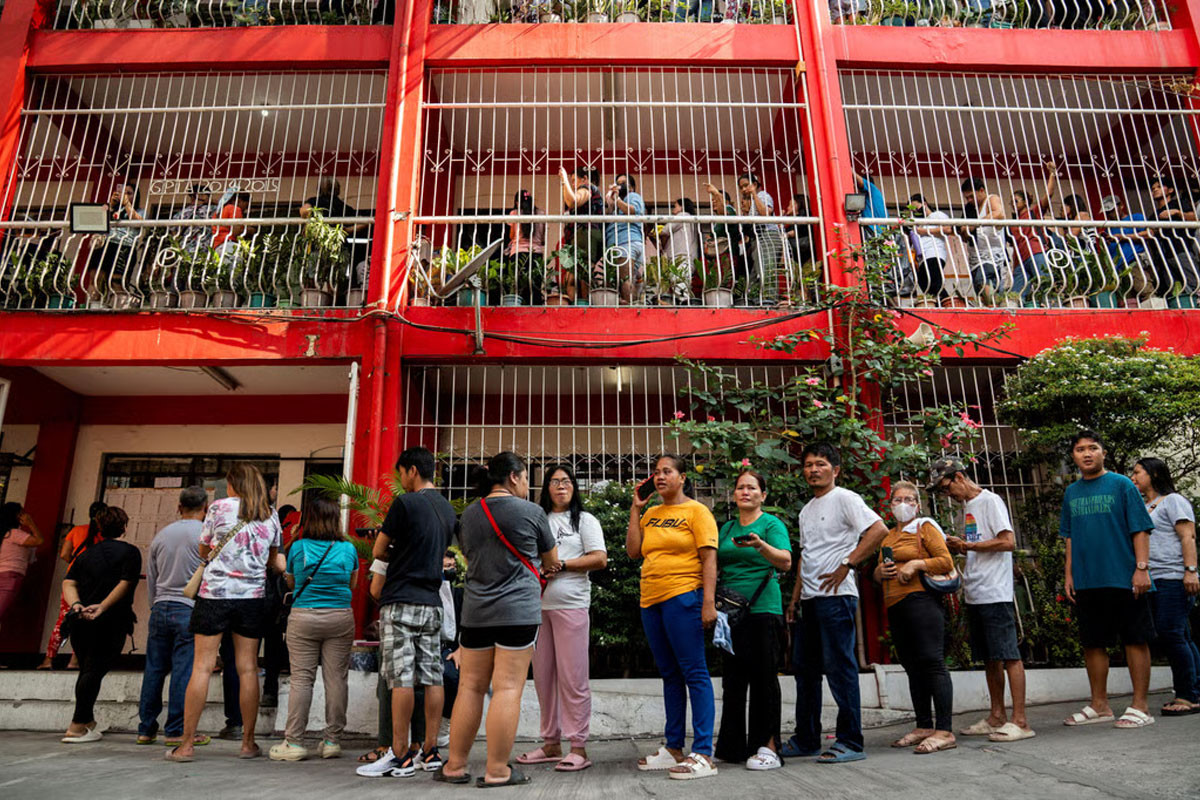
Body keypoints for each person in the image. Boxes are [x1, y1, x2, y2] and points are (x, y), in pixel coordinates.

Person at [436, 452, 559, 788]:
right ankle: (497, 770)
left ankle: (454, 766)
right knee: (507, 687)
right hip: (518, 611)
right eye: (524, 477)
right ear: (514, 477)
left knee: (470, 687)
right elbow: (552, 559)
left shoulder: (470, 516)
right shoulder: (531, 512)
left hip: (475, 614)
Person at [166, 463, 282, 762]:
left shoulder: (218, 508)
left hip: (214, 595)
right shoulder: (271, 513)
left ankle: (187, 744)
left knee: (201, 667)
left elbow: (204, 549)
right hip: (252, 598)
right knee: (247, 669)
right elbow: (273, 559)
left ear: (235, 484)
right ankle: (248, 743)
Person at [356, 446, 459, 778]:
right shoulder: (445, 508)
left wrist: (393, 548)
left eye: (401, 473)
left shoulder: (405, 503)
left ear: (412, 470)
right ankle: (429, 751)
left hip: (400, 600)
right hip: (432, 602)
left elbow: (378, 548)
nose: (401, 479)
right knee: (432, 677)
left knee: (400, 678)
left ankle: (399, 755)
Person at [783, 442, 888, 764]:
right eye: (809, 464)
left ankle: (851, 742)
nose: (814, 469)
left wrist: (848, 564)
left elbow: (879, 529)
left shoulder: (845, 498)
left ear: (836, 470)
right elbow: (806, 555)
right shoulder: (806, 510)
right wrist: (796, 596)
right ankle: (807, 738)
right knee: (805, 671)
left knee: (841, 669)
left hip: (838, 598)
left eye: (821, 464)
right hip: (812, 600)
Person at [627, 454, 719, 781]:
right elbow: (633, 552)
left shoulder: (697, 511)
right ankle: (675, 747)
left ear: (682, 478)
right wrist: (636, 508)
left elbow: (709, 560)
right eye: (656, 472)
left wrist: (708, 603)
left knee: (694, 671)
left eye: (667, 471)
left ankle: (704, 752)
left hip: (684, 596)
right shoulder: (651, 513)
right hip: (650, 599)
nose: (660, 476)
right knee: (669, 673)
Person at [930, 458, 1033, 743]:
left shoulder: (990, 501)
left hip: (995, 592)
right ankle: (996, 716)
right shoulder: (969, 506)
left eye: (946, 486)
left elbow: (1007, 542)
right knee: (990, 657)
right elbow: (980, 543)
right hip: (976, 590)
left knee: (1009, 654)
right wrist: (963, 545)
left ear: (960, 477)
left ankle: (1021, 721)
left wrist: (967, 545)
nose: (946, 494)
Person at [1059, 430, 1156, 729]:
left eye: (1093, 448)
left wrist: (1142, 568)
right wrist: (1069, 573)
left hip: (1123, 576)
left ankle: (1140, 706)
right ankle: (1099, 705)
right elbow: (1070, 537)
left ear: (1103, 452)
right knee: (1092, 643)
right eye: (1080, 449)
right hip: (1088, 581)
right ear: (1073, 456)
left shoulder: (1122, 485)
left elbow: (1140, 529)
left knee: (1134, 639)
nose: (1087, 454)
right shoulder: (1072, 492)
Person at [517, 464, 607, 772]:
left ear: (574, 486)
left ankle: (578, 746)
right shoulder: (537, 518)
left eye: (566, 481)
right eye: (554, 481)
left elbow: (599, 558)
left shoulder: (585, 520)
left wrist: (563, 565)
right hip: (537, 608)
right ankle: (551, 743)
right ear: (546, 488)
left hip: (571, 605)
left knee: (573, 679)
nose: (560, 486)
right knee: (543, 679)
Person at [713, 470, 792, 770]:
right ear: (734, 494)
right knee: (733, 681)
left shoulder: (771, 524)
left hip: (763, 610)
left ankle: (768, 746)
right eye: (740, 487)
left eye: (752, 488)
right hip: (731, 614)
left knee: (764, 679)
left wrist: (760, 545)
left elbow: (785, 561)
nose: (745, 492)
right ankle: (731, 747)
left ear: (763, 495)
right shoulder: (727, 528)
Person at [270, 495, 359, 761]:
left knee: (301, 680)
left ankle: (295, 742)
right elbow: (351, 585)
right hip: (340, 617)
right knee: (336, 679)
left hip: (304, 617)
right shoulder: (349, 549)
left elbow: (291, 582)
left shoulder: (298, 546)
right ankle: (332, 740)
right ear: (336, 519)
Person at [872, 481, 955, 754]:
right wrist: (878, 573)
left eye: (908, 499)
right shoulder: (888, 537)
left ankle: (944, 730)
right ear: (890, 505)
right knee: (912, 666)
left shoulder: (925, 528)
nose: (902, 504)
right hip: (895, 604)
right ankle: (923, 725)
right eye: (897, 500)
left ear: (917, 505)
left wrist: (917, 564)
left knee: (932, 662)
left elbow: (946, 561)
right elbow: (877, 571)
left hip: (921, 601)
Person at [60, 507, 140, 744]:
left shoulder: (85, 554)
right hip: (112, 619)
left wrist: (76, 605)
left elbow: (68, 582)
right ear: (124, 527)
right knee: (95, 670)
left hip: (81, 619)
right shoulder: (130, 553)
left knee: (87, 669)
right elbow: (125, 583)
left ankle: (87, 721)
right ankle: (76, 726)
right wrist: (103, 606)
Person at [137, 487, 208, 747]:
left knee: (154, 669)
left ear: (179, 507)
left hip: (160, 605)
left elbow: (152, 577)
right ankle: (176, 730)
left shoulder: (161, 536)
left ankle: (145, 729)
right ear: (206, 508)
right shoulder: (204, 535)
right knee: (183, 670)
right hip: (188, 608)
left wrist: (154, 605)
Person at [1130, 457, 1200, 715]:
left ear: (1154, 474)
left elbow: (1187, 536)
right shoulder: (1145, 505)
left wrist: (1190, 572)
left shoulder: (1174, 501)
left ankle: (1186, 695)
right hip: (1154, 579)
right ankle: (1193, 690)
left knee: (1171, 633)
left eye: (1138, 472)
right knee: (1180, 634)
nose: (1133, 477)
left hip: (1173, 576)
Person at [39, 501, 106, 670]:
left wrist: (75, 565)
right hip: (93, 583)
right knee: (88, 620)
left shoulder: (76, 531)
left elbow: (64, 554)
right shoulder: (104, 536)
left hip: (72, 580)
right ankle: (74, 661)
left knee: (63, 619)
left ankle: (48, 659)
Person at [1009, 161, 1058, 302]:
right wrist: (1015, 266)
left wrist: (1052, 174)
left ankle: (1051, 307)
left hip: (1036, 252)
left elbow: (1049, 194)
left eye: (1016, 200)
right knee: (1016, 294)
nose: (1013, 203)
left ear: (1025, 201)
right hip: (1021, 260)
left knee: (1045, 284)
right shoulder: (1013, 224)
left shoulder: (1033, 212)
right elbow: (1016, 245)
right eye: (1011, 202)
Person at [87, 183, 145, 297]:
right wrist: (111, 205)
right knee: (96, 278)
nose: (126, 196)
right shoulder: (111, 207)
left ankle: (117, 307)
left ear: (136, 196)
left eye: (129, 193)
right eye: (124, 193)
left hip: (124, 246)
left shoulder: (141, 211)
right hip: (105, 244)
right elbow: (97, 217)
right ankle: (92, 305)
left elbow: (138, 222)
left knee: (117, 282)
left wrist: (126, 203)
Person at [739, 173, 785, 304]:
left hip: (768, 236)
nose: (743, 189)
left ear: (754, 185)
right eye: (741, 187)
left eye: (746, 185)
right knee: (757, 270)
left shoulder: (762, 195)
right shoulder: (753, 200)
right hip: (759, 238)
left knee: (767, 268)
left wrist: (753, 194)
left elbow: (765, 213)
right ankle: (755, 299)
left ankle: (769, 299)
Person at [961, 177, 1009, 298]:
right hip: (975, 258)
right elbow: (963, 231)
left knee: (982, 280)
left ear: (981, 190)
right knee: (981, 288)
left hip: (991, 256)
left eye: (971, 196)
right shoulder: (969, 208)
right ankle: (994, 308)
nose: (969, 200)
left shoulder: (991, 199)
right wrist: (966, 230)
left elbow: (999, 213)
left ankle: (994, 306)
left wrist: (975, 224)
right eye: (967, 198)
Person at [559, 165, 605, 291]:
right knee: (579, 273)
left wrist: (564, 180)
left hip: (585, 233)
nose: (573, 184)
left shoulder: (586, 188)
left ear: (584, 178)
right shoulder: (594, 191)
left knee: (581, 273)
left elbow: (573, 201)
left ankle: (583, 305)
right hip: (586, 234)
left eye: (574, 180)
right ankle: (582, 303)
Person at [1150, 179, 1199, 295]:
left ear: (1170, 190)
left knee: (1193, 281)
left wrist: (1177, 212)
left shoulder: (1179, 203)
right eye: (1153, 189)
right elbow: (1149, 233)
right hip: (1164, 256)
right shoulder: (1153, 215)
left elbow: (1195, 219)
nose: (1155, 190)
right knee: (1175, 288)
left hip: (1181, 249)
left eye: (1159, 187)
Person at [604, 174, 647, 303]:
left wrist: (617, 200)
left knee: (625, 279)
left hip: (627, 242)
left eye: (623, 183)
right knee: (627, 279)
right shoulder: (619, 202)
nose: (620, 186)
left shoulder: (632, 196)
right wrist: (610, 201)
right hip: (624, 243)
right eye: (618, 183)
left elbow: (633, 210)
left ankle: (629, 310)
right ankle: (630, 304)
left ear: (632, 187)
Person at [0, 502, 45, 624]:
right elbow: (39, 540)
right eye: (21, 513)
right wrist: (31, 523)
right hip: (10, 577)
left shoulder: (5, 534)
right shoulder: (15, 534)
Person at [654, 198, 702, 303]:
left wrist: (654, 231)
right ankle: (682, 304)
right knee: (681, 283)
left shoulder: (683, 215)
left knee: (679, 283)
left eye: (675, 206)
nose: (672, 211)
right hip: (685, 257)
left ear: (682, 207)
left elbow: (665, 231)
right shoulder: (691, 220)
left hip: (681, 257)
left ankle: (684, 305)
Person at [505, 189, 546, 304]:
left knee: (518, 287)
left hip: (518, 253)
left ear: (517, 203)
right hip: (536, 253)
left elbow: (512, 235)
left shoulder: (514, 214)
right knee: (535, 287)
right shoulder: (541, 214)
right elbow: (543, 239)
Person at [905, 194, 949, 299]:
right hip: (921, 260)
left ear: (924, 204)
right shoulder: (919, 224)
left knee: (935, 285)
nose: (915, 212)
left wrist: (923, 231)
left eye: (916, 208)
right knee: (927, 289)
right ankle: (939, 307)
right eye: (913, 211)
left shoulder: (937, 215)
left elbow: (947, 229)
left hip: (934, 254)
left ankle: (948, 305)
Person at [171, 184, 218, 257]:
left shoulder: (183, 213)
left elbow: (174, 233)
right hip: (207, 251)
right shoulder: (215, 209)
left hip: (186, 251)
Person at [212, 191, 251, 266]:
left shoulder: (219, 212)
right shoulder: (235, 209)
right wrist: (249, 230)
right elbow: (236, 231)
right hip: (229, 247)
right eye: (246, 205)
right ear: (239, 201)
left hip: (217, 248)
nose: (245, 209)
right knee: (233, 276)